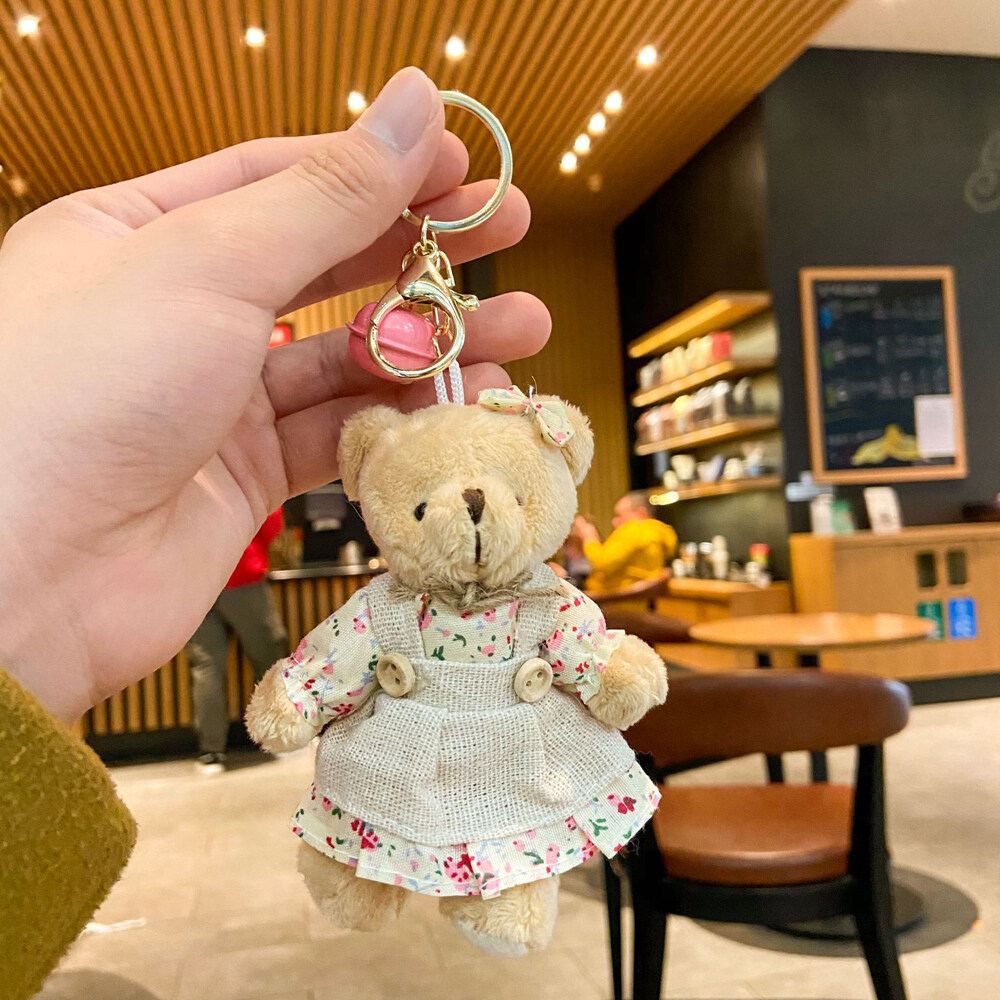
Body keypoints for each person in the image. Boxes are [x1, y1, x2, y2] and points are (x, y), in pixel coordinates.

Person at [0, 67, 550, 999]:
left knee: (506, 797)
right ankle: (360, 863)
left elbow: (588, 654)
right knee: (362, 770)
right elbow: (337, 651)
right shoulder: (387, 603)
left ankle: (495, 882)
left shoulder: (540, 602)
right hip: (377, 715)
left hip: (505, 741)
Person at [186, 508, 288, 772]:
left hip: (198, 580)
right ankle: (279, 738)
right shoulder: (238, 480)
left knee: (206, 666)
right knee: (269, 657)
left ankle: (211, 752)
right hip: (243, 572)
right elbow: (271, 519)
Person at [575, 492, 678, 594]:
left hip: (614, 601)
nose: (614, 521)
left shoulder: (637, 530)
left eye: (620, 515)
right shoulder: (659, 533)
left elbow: (602, 563)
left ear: (640, 513)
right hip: (640, 599)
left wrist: (589, 537)